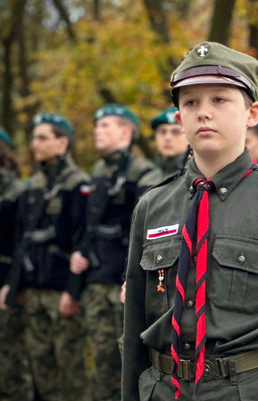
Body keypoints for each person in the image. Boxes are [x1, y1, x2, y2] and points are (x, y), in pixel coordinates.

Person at [121, 42, 258, 401]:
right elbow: (134, 329)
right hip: (162, 388)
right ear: (178, 119)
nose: (203, 112)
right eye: (190, 103)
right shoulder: (152, 206)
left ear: (252, 114)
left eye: (219, 100)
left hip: (247, 389)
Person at [0, 114, 91, 401]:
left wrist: (73, 290)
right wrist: (13, 284)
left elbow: (82, 241)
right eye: (33, 138)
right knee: (40, 368)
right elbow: (20, 241)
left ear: (62, 142)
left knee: (71, 367)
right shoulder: (31, 187)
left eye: (41, 137)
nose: (33, 144)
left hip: (62, 292)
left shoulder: (78, 184)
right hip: (33, 291)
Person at [69, 104, 156, 401]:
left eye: (105, 125)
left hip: (122, 278)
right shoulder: (99, 170)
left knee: (125, 358)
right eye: (97, 126)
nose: (97, 131)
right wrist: (79, 252)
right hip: (96, 275)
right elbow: (89, 223)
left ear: (125, 132)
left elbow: (144, 230)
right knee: (98, 357)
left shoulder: (143, 172)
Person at [0, 128, 33, 401]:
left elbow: (22, 242)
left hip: (7, 283)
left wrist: (13, 283)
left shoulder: (17, 189)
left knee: (12, 363)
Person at [138, 107, 191, 190]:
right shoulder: (147, 180)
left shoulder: (196, 176)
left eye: (175, 132)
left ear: (188, 136)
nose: (167, 137)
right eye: (162, 132)